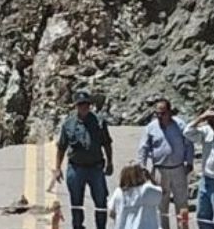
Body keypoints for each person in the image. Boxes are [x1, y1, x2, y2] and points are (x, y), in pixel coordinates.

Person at [53, 91, 114, 229]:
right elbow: (61, 147)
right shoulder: (68, 124)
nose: (84, 107)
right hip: (76, 169)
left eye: (86, 104)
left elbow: (107, 143)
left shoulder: (99, 123)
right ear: (76, 106)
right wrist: (57, 168)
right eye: (80, 104)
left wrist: (110, 162)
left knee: (100, 202)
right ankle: (78, 226)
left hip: (96, 169)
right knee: (76, 203)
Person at [136, 98, 194, 229]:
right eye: (157, 113)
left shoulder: (180, 125)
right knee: (161, 204)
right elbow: (143, 148)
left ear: (170, 112)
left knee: (182, 203)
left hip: (178, 169)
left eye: (163, 113)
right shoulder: (151, 127)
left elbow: (189, 144)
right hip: (159, 171)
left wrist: (189, 162)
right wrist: (142, 167)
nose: (160, 116)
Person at [107, 164, 163, 229]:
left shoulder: (118, 192)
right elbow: (160, 194)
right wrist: (150, 177)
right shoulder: (147, 189)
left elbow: (111, 213)